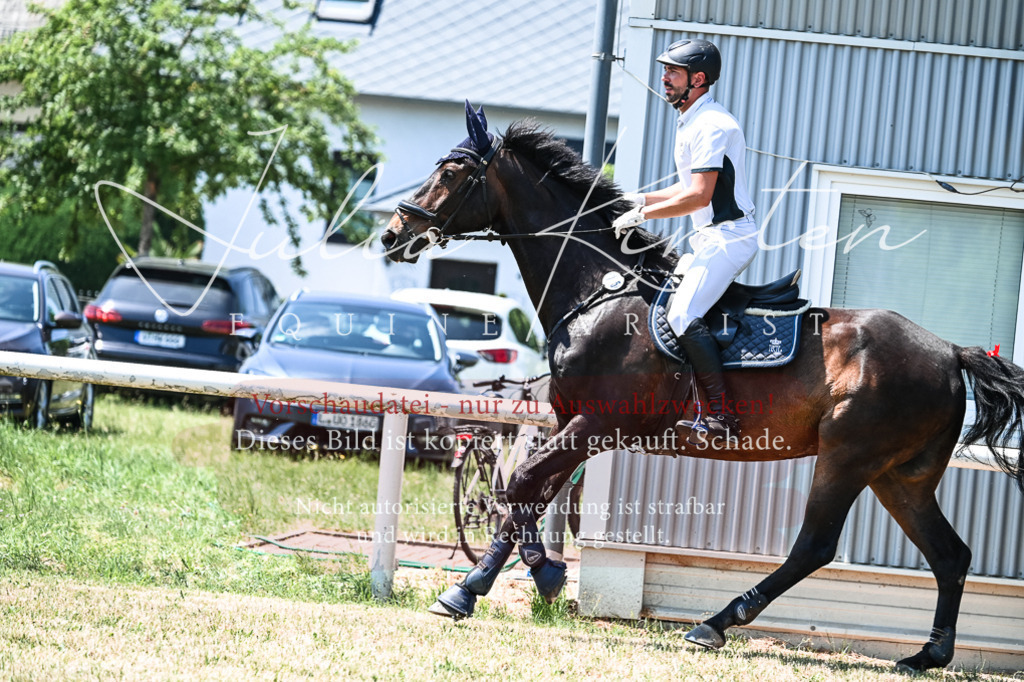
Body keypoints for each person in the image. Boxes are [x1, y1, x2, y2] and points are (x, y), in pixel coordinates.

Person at [612, 38, 758, 438]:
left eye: (672, 72)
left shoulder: (713, 125)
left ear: (698, 79)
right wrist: (633, 198)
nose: (664, 78)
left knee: (682, 314)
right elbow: (683, 188)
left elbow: (699, 196)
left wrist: (642, 214)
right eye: (666, 71)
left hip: (729, 238)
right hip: (709, 239)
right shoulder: (693, 120)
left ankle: (723, 416)